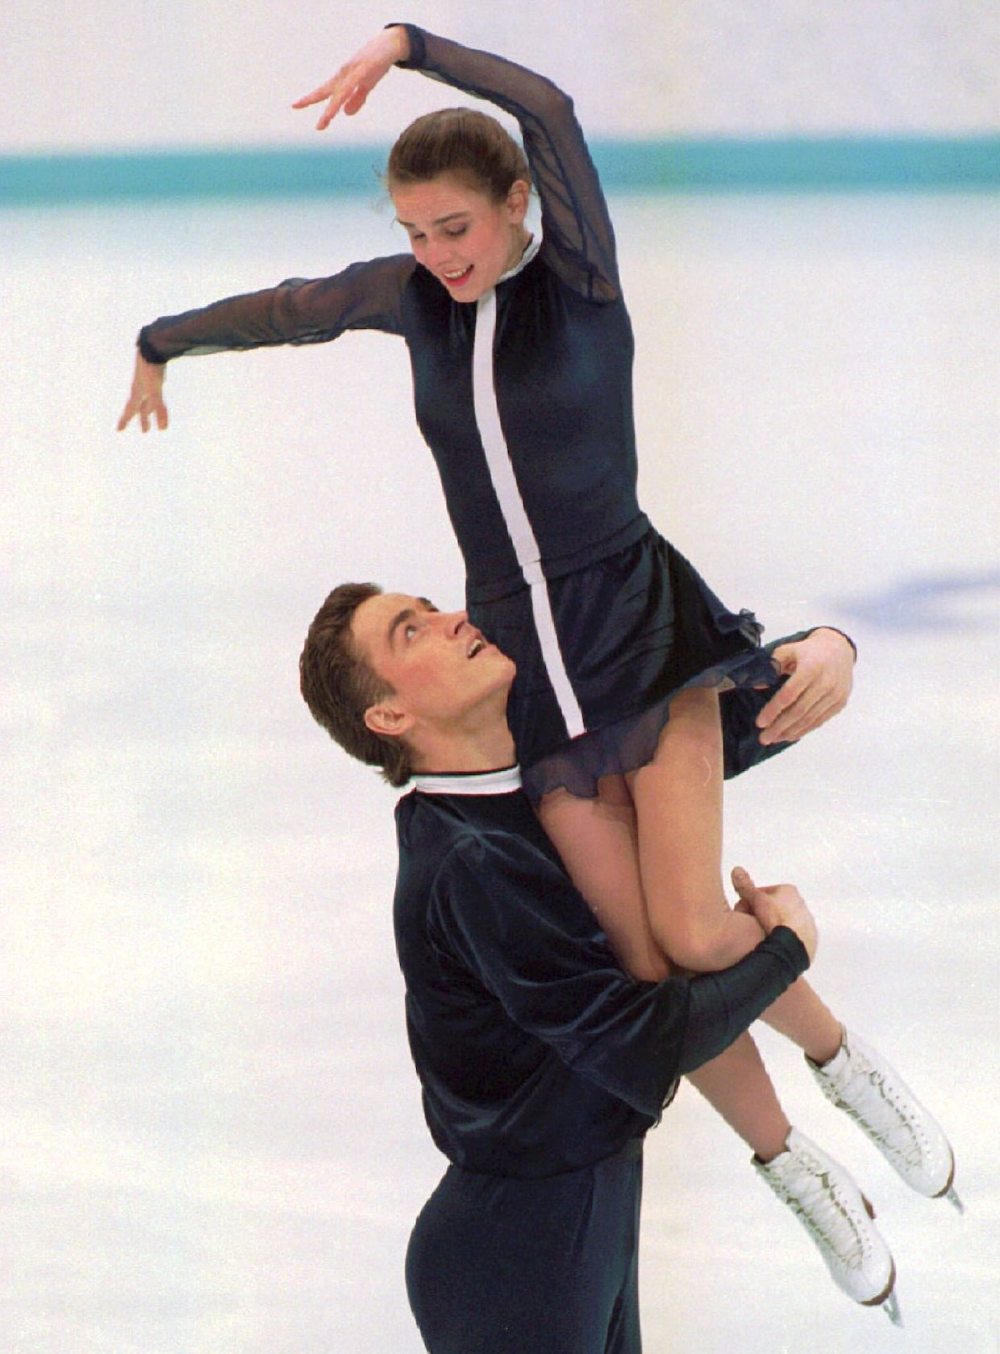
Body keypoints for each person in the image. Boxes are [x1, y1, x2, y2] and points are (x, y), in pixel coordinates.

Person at [118, 20, 957, 1298]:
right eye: (414, 234)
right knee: (641, 962)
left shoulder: (579, 283)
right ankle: (794, 1170)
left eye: (455, 227)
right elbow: (288, 312)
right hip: (530, 682)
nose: (434, 256)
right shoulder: (406, 303)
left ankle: (850, 1068)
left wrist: (408, 43)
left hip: (641, 636)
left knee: (686, 921)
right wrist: (161, 338)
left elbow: (551, 106)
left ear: (515, 206)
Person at [299, 579, 867, 1352]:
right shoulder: (468, 860)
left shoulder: (533, 786)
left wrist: (826, 649)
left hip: (581, 1219)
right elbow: (641, 1044)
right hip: (514, 1257)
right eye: (411, 632)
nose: (452, 621)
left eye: (432, 608)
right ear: (390, 716)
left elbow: (692, 731)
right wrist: (784, 951)